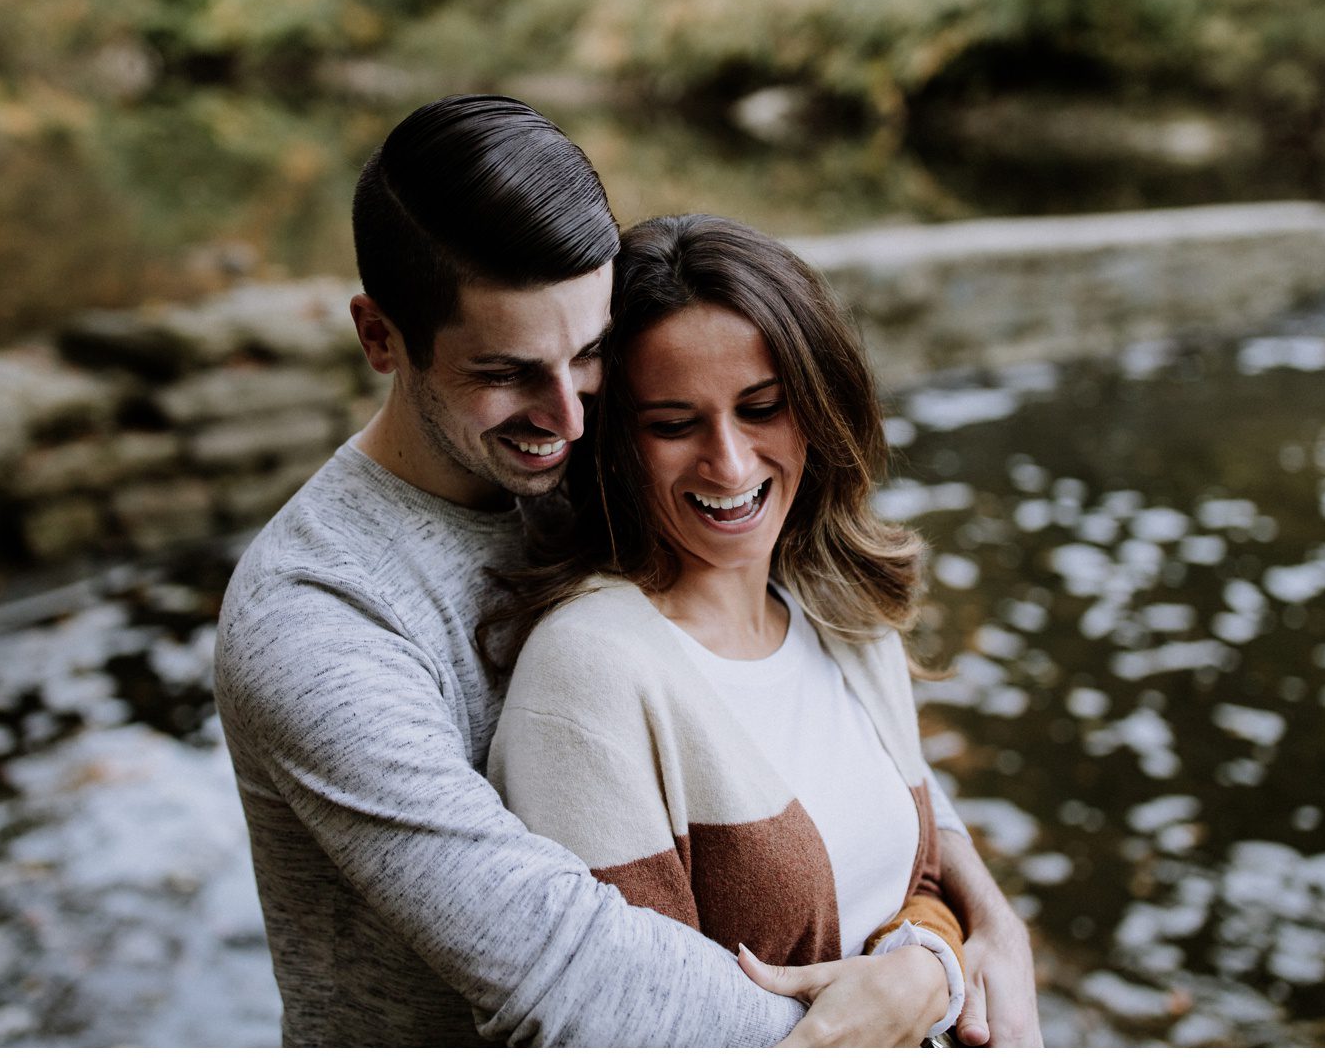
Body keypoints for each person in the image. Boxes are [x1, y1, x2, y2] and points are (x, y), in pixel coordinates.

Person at [215, 95, 1040, 1046]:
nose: (567, 416)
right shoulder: (317, 619)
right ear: (380, 338)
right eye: (506, 372)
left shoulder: (601, 473)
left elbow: (838, 740)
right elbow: (569, 971)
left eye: (592, 351)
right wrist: (904, 1001)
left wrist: (977, 921)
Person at [483, 213, 1009, 1045]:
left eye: (761, 408)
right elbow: (634, 1023)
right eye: (673, 424)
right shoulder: (590, 676)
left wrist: (929, 967)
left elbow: (922, 880)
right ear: (615, 442)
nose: (728, 465)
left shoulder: (843, 611)